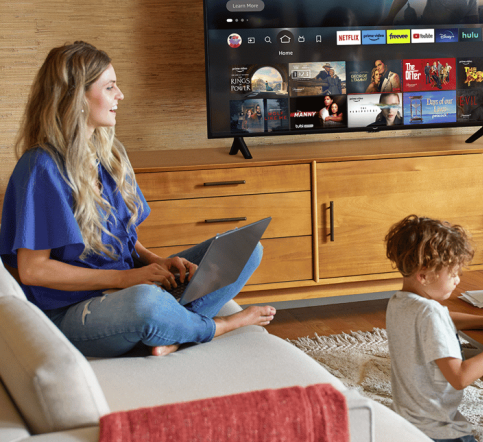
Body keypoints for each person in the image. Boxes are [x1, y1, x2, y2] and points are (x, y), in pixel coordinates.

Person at [0, 41, 276, 358]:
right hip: (73, 311)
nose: (120, 96)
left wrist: (155, 261)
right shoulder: (40, 168)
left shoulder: (108, 155)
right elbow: (33, 271)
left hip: (124, 287)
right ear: (76, 97)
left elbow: (122, 238)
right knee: (146, 301)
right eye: (110, 87)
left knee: (244, 250)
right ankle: (214, 327)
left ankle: (168, 330)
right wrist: (126, 279)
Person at [383, 215, 483, 442]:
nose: (458, 281)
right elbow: (460, 377)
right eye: (454, 273)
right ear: (424, 275)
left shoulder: (399, 302)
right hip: (439, 433)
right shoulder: (430, 315)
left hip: (409, 425)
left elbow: (440, 320)